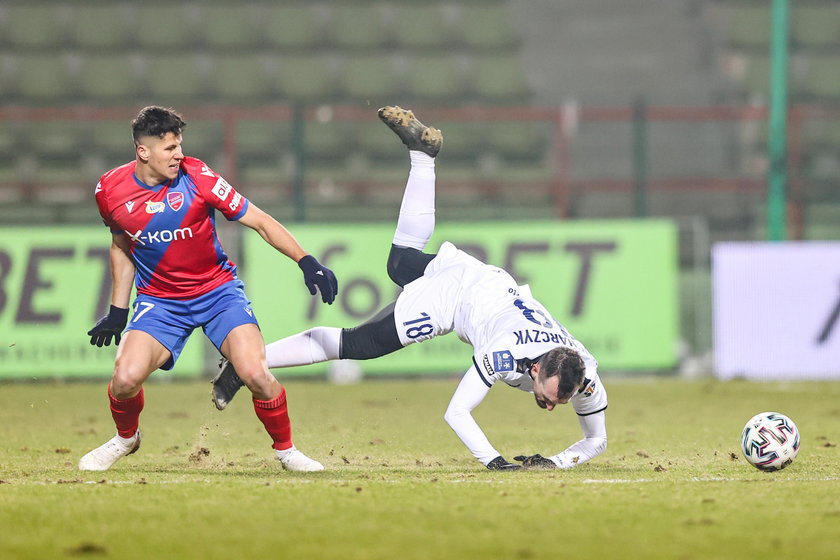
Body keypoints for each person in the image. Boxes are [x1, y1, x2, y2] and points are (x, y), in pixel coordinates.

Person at [212, 106, 608, 470]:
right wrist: (495, 462)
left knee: (400, 263)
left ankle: (422, 155)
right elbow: (457, 413)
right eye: (550, 396)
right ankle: (249, 365)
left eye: (561, 400)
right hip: (454, 298)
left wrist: (555, 462)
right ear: (536, 368)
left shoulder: (583, 370)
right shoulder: (504, 354)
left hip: (489, 282)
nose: (552, 407)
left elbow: (597, 440)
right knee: (358, 345)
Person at [79, 106, 338, 472]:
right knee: (124, 379)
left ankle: (286, 451)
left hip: (218, 293)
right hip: (161, 301)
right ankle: (126, 439)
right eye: (169, 148)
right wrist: (119, 312)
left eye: (180, 145)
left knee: (255, 374)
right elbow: (121, 244)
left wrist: (305, 260)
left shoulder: (198, 176)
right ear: (143, 152)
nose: (179, 154)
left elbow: (260, 221)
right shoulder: (109, 190)